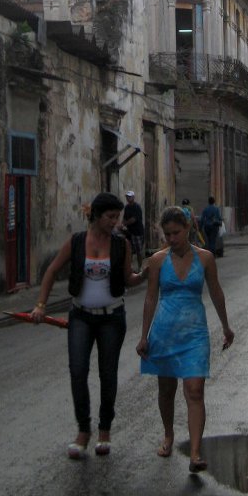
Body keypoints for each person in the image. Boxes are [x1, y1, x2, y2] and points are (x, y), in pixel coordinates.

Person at [30, 192, 145, 459]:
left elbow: (128, 278)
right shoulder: (77, 242)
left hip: (112, 317)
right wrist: (40, 305)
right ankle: (83, 430)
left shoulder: (121, 244)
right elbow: (51, 271)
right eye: (110, 217)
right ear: (95, 215)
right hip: (80, 315)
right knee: (78, 371)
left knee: (108, 373)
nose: (115, 222)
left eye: (117, 217)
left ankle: (104, 429)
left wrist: (145, 275)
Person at [136, 206, 234, 472]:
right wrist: (144, 336)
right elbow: (150, 298)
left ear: (188, 229)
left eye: (176, 233)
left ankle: (194, 453)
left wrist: (226, 327)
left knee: (194, 390)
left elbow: (216, 293)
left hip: (195, 333)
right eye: (167, 234)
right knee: (166, 391)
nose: (172, 238)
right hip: (164, 334)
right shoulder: (157, 260)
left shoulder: (205, 259)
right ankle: (168, 434)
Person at [122, 190, 144, 272]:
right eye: (127, 196)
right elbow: (125, 217)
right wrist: (122, 223)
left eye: (130, 196)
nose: (128, 198)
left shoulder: (137, 207)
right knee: (129, 250)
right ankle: (129, 267)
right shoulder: (127, 207)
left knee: (138, 251)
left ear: (133, 197)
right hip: (129, 232)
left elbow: (133, 219)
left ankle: (140, 267)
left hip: (137, 232)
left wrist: (124, 224)